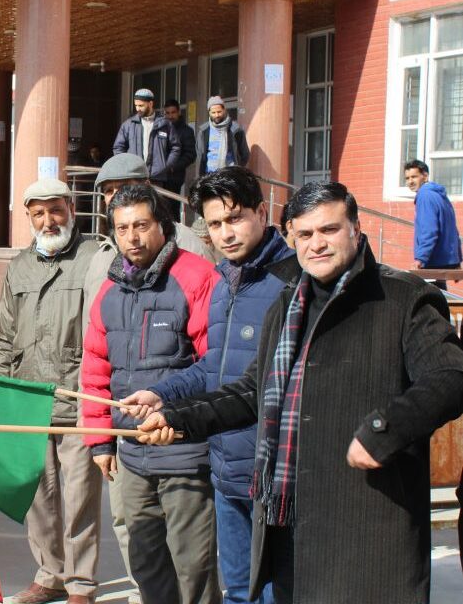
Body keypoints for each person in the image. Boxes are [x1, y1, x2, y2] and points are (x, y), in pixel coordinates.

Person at [136, 182, 463, 603]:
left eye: (328, 230)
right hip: (291, 525)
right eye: (305, 235)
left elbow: (449, 377)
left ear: (356, 229)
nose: (317, 244)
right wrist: (177, 417)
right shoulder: (289, 303)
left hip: (368, 526)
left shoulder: (406, 298)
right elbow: (252, 392)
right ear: (291, 236)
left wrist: (385, 430)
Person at [122, 167, 293, 604]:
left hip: (274, 473)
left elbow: (270, 385)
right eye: (215, 224)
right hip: (226, 466)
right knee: (237, 591)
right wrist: (163, 393)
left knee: (275, 594)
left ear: (261, 212)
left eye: (234, 219)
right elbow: (212, 367)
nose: (225, 234)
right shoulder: (222, 282)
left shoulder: (293, 282)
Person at [84, 153, 215, 604]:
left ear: (161, 224)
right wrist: (100, 438)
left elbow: (213, 365)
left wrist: (172, 409)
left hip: (185, 450)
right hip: (132, 453)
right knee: (144, 559)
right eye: (122, 229)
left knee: (194, 565)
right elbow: (95, 367)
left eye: (140, 226)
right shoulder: (109, 288)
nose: (132, 237)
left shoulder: (197, 277)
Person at [0, 179, 103, 604]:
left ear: (71, 208)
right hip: (28, 398)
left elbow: (102, 330)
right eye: (38, 213)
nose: (48, 220)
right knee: (38, 498)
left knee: (79, 498)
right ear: (29, 218)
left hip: (77, 397)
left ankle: (81, 584)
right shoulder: (20, 265)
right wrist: (2, 394)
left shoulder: (94, 258)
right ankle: (49, 574)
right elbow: (2, 337)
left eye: (55, 210)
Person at [113, 88, 182, 200]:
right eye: (136, 105)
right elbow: (118, 148)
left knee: (155, 210)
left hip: (157, 178)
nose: (138, 109)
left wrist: (166, 165)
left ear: (150, 103)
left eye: (141, 105)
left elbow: (176, 147)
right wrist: (126, 166)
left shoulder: (165, 124)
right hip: (134, 176)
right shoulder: (128, 125)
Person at [405, 159, 461, 288]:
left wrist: (421, 258)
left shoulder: (425, 196)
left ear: (425, 176)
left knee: (430, 302)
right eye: (407, 178)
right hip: (444, 261)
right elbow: (454, 230)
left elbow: (429, 230)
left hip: (432, 261)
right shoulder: (440, 196)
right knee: (441, 300)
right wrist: (457, 260)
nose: (410, 182)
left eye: (414, 176)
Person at [197, 96, 249, 177]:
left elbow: (244, 154)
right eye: (213, 113)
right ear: (209, 112)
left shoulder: (235, 129)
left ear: (224, 110)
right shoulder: (203, 131)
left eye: (219, 112)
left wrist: (237, 169)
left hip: (230, 175)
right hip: (209, 175)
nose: (217, 115)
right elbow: (200, 154)